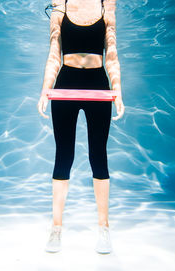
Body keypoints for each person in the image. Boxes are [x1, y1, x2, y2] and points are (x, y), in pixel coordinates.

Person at [37, 0, 124, 254]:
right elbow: (54, 51)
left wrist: (118, 90)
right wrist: (46, 88)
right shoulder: (60, 3)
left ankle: (104, 228)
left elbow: (112, 50)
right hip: (66, 82)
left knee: (99, 155)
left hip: (98, 83)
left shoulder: (106, 3)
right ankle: (55, 228)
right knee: (63, 156)